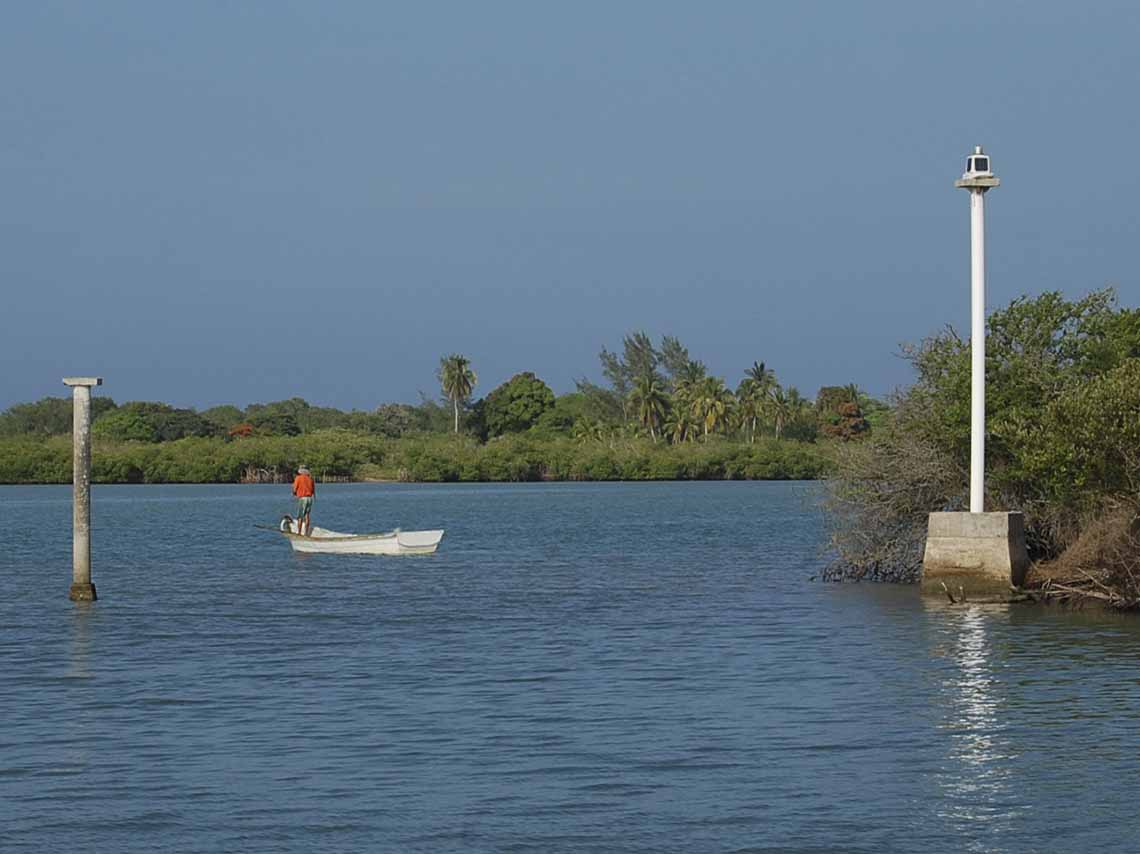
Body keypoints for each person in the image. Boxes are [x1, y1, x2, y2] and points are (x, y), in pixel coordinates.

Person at [292, 465, 316, 535]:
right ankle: (306, 533)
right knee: (307, 516)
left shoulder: (298, 478)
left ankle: (299, 533)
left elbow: (294, 490)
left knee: (300, 516)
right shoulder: (310, 479)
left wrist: (294, 492)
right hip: (309, 499)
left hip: (303, 499)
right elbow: (313, 491)